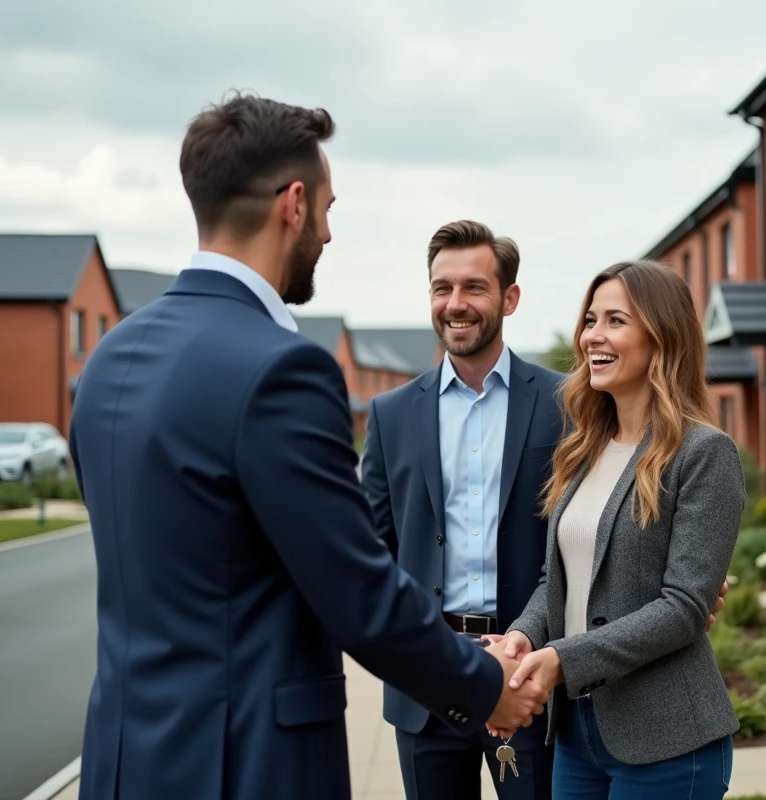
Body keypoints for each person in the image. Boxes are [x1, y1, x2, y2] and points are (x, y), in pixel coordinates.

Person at [68, 94, 547, 800]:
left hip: (124, 760)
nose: (327, 232)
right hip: (246, 762)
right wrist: (485, 687)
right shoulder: (281, 369)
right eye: (327, 207)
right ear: (293, 203)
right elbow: (357, 586)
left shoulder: (109, 357)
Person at [360, 226, 729, 800]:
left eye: (474, 287)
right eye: (442, 287)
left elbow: (672, 577)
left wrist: (543, 655)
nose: (456, 303)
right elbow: (374, 554)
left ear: (509, 299)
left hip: (547, 691)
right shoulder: (391, 415)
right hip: (435, 686)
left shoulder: (573, 412)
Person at [498, 260, 745, 799]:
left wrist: (564, 659)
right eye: (590, 320)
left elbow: (684, 607)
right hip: (577, 734)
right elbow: (557, 580)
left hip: (668, 738)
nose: (593, 337)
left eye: (615, 321)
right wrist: (525, 633)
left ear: (661, 335)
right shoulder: (583, 451)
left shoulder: (704, 454)